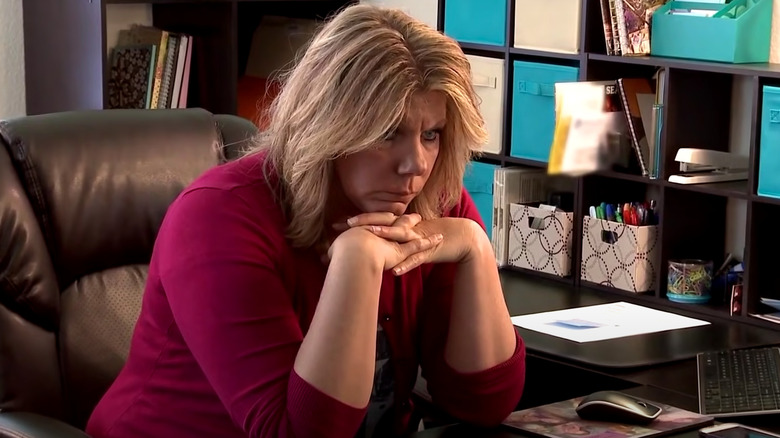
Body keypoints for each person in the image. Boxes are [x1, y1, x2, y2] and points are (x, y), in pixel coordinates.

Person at [86, 4, 526, 438]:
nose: (415, 164)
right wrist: (357, 259)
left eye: (431, 134)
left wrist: (474, 247)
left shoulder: (434, 200)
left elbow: (483, 405)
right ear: (329, 127)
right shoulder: (215, 218)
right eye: (387, 132)